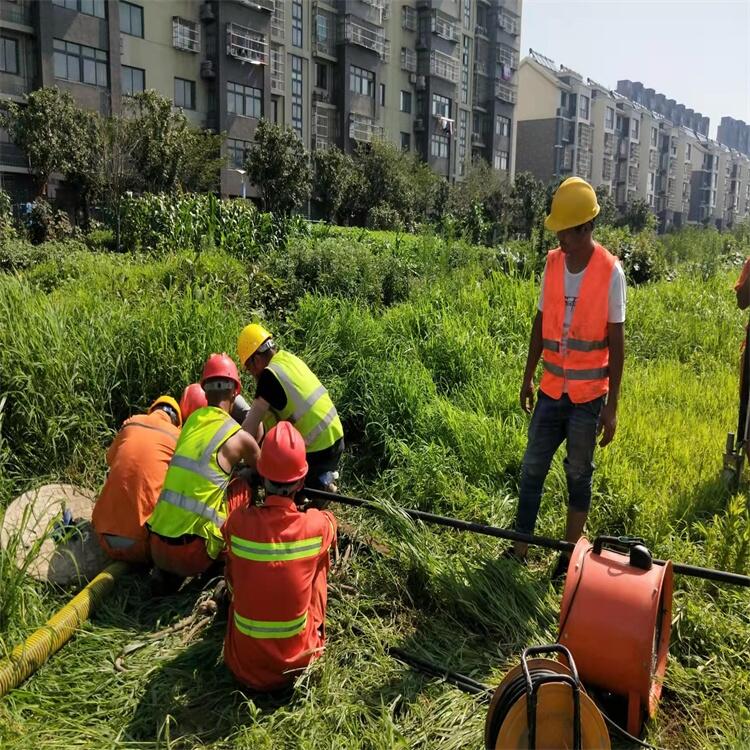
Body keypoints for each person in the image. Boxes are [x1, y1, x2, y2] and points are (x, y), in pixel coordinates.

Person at [511, 177, 626, 579]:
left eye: (566, 229)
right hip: (550, 392)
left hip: (587, 397)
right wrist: (527, 377)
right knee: (531, 470)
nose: (559, 235)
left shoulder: (611, 273)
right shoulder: (554, 263)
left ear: (586, 228)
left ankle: (566, 558)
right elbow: (540, 322)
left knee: (578, 476)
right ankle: (520, 548)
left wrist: (610, 409)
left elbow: (617, 341)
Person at [222, 422, 337, 692]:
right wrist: (310, 509)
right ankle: (314, 635)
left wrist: (243, 488)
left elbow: (230, 525)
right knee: (318, 564)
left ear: (262, 477)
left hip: (243, 665)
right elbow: (330, 523)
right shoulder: (316, 528)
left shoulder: (238, 524)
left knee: (236, 562)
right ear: (300, 480)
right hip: (296, 665)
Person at [147, 354, 260, 580]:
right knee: (246, 482)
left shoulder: (189, 423)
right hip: (193, 556)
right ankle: (224, 558)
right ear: (235, 391)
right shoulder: (239, 437)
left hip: (156, 547)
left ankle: (168, 575)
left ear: (205, 391)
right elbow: (265, 469)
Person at [236, 323, 344, 491]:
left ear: (256, 359)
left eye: (249, 368)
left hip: (316, 452)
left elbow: (249, 429)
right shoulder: (288, 359)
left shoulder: (269, 377)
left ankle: (316, 486)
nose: (251, 373)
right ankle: (318, 483)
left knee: (274, 481)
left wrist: (231, 457)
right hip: (337, 440)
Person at [92, 396, 182, 564]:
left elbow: (109, 459)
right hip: (142, 546)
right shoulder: (178, 437)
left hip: (102, 536)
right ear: (177, 422)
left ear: (152, 410)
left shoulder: (133, 422)